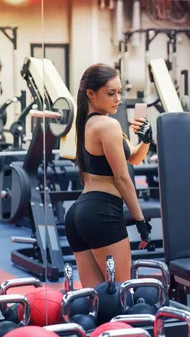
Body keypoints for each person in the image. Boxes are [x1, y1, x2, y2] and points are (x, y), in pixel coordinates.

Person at [65, 64, 153, 288]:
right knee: (121, 294)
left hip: (78, 215)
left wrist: (146, 140)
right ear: (91, 94)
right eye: (111, 93)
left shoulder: (88, 123)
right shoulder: (108, 125)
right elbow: (123, 178)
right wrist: (140, 220)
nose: (118, 99)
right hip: (102, 213)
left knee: (94, 300)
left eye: (120, 92)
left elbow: (133, 158)